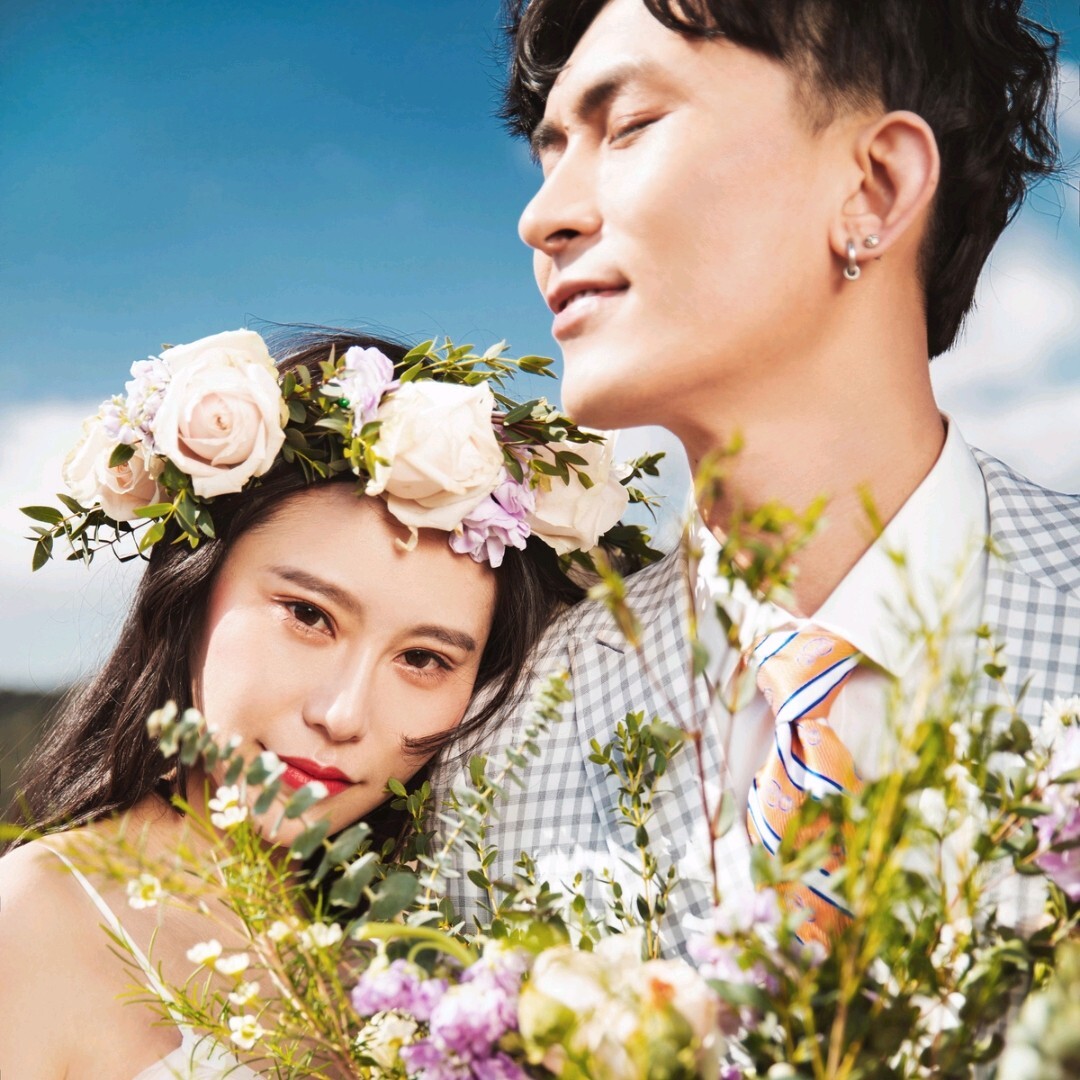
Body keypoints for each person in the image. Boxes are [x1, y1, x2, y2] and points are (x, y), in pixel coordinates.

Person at [438, 0, 1080, 951]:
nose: (543, 217)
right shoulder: (506, 742)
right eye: (551, 152)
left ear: (874, 187)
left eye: (630, 126)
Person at [0, 326, 629, 1079]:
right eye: (308, 616)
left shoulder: (428, 962)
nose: (342, 714)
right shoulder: (31, 919)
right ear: (191, 590)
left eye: (423, 659)